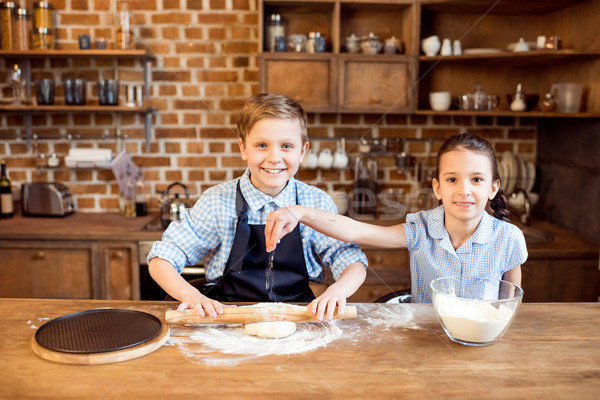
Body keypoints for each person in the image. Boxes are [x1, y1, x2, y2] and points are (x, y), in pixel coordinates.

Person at [148, 93, 368, 320]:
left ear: (302, 151)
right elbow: (160, 260)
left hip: (300, 323)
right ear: (243, 148)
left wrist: (338, 291)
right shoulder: (216, 202)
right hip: (227, 323)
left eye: (286, 146)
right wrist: (190, 295)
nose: (274, 157)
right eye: (261, 145)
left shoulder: (316, 202)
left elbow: (352, 261)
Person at [265, 133, 527, 303]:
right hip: (425, 338)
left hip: (480, 339)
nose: (464, 190)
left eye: (477, 179)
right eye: (452, 179)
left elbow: (508, 308)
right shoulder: (421, 228)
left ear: (493, 188)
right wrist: (299, 212)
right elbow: (356, 231)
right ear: (437, 187)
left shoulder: (508, 238)